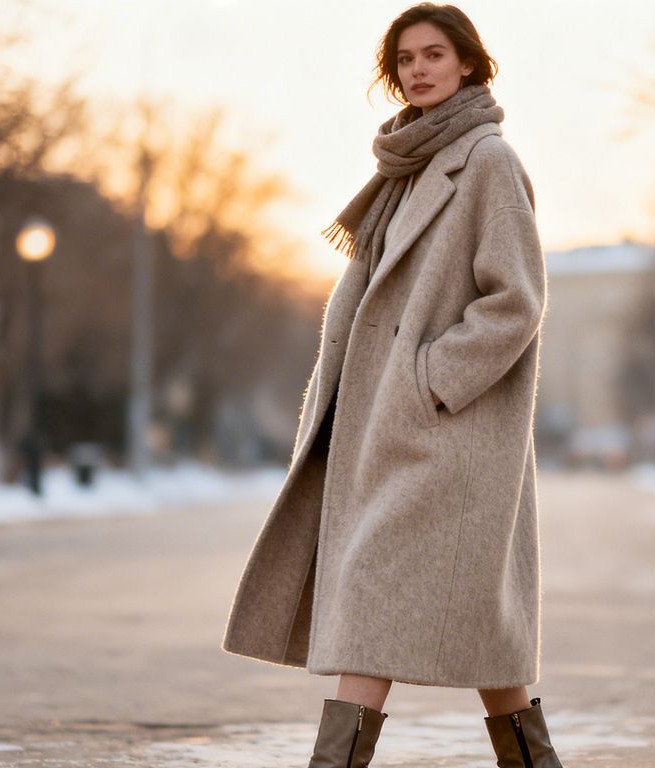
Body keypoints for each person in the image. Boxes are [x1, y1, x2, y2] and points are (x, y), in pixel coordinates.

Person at [220, 4, 562, 766]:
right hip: (391, 433)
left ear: (469, 63)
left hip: (447, 439)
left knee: (374, 599)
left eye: (434, 54)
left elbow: (517, 301)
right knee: (485, 646)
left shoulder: (487, 161)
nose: (418, 69)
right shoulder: (405, 168)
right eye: (404, 58)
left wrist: (428, 379)